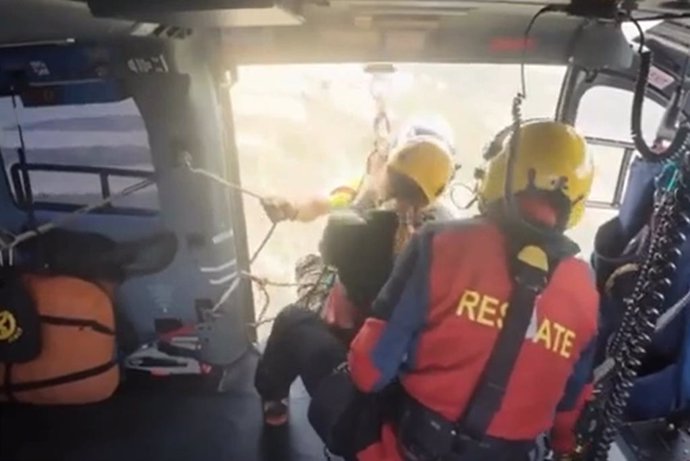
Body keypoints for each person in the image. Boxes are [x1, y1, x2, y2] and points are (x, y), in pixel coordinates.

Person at [254, 120, 599, 461]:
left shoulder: (441, 244)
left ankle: (273, 403)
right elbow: (567, 421)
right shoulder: (586, 290)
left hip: (404, 448)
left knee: (296, 322)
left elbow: (368, 371)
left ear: (501, 171)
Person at [258, 117, 458, 425]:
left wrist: (369, 188)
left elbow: (328, 218)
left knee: (301, 288)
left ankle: (273, 397)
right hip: (406, 362)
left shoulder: (360, 217)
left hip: (348, 341)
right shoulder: (453, 234)